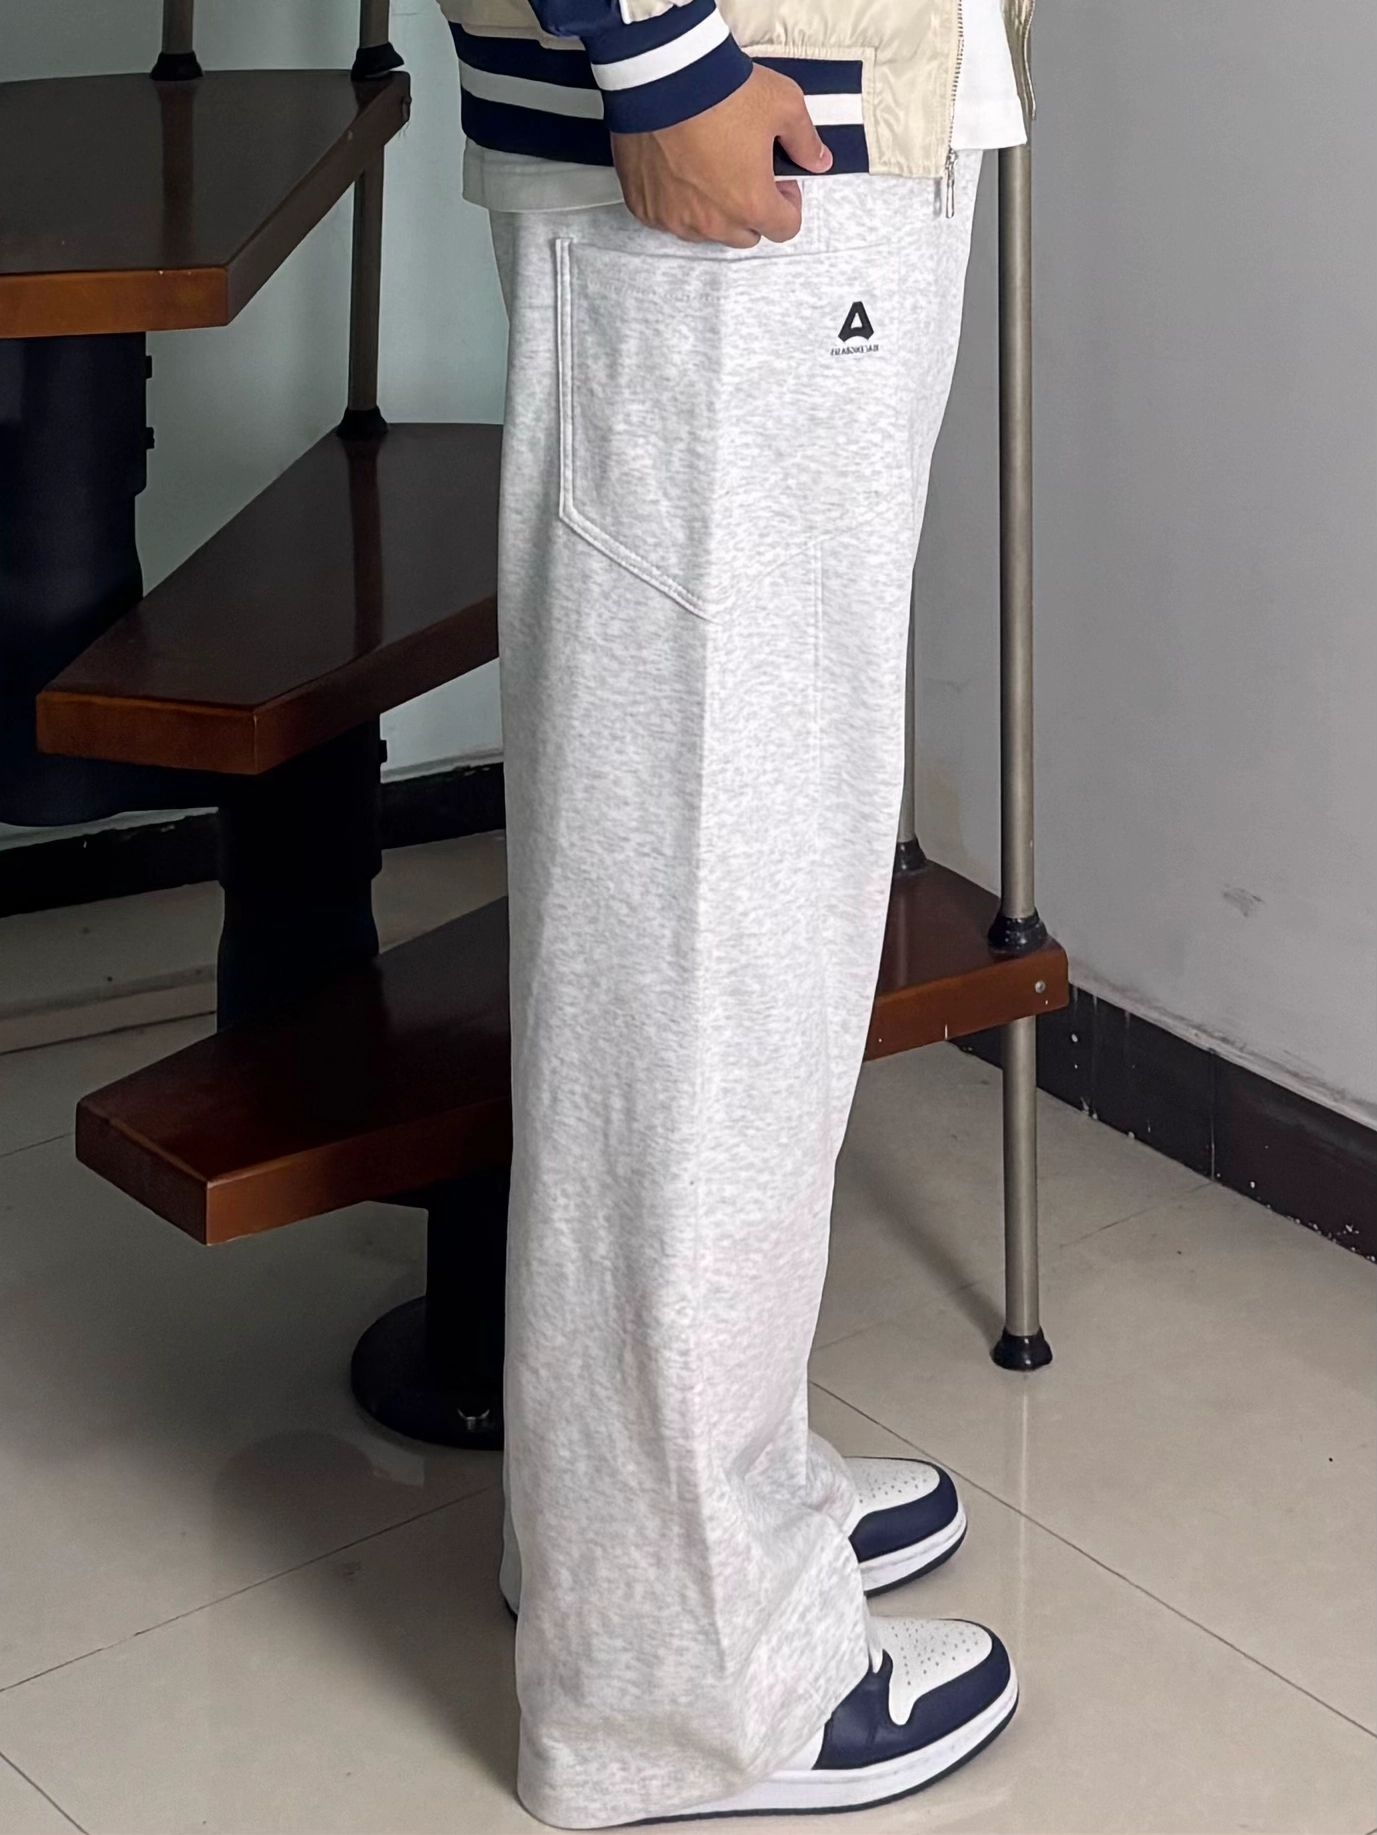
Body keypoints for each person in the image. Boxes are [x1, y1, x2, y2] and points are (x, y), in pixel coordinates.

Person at [439, 0, 1033, 1824]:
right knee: (708, 928)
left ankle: (677, 1524)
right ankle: (683, 1682)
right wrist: (661, 60)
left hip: (822, 115)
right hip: (741, 125)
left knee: (748, 899)